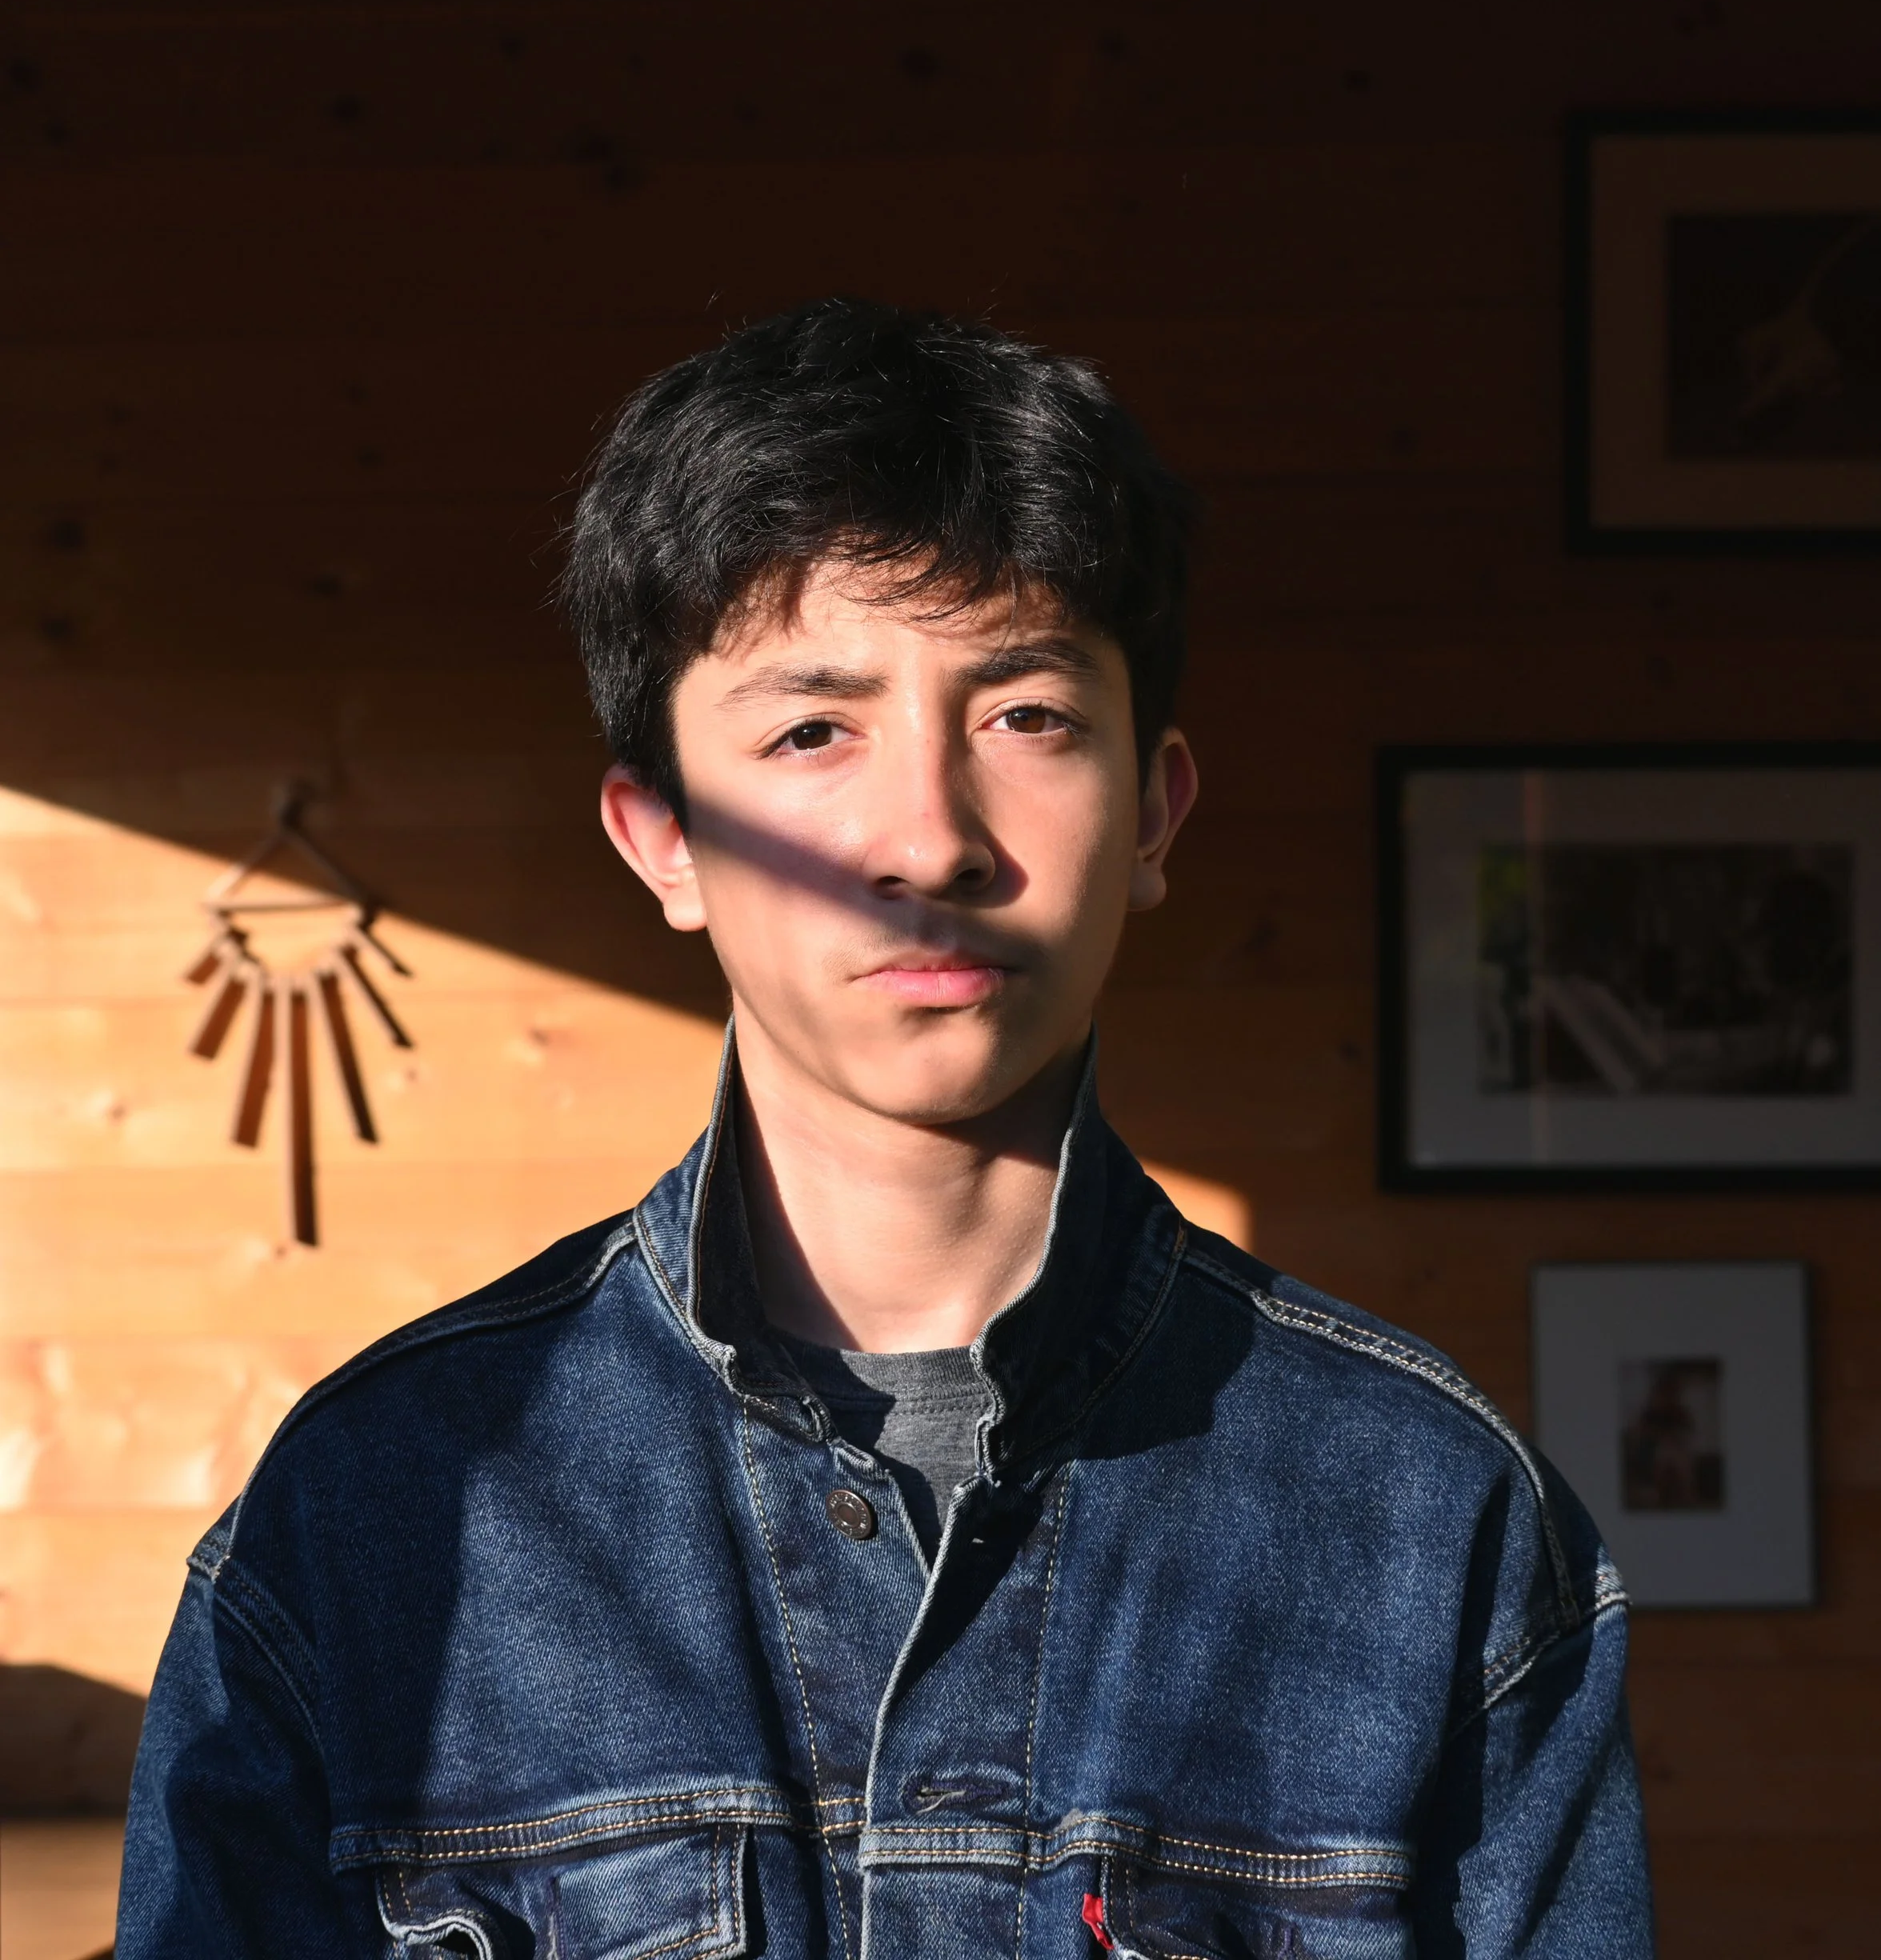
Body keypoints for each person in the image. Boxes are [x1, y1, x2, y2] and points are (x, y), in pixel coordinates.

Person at [118, 299, 1653, 1958]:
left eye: (1027, 717)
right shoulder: (381, 1508)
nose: (926, 837)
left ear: (1152, 811)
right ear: (661, 841)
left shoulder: (1430, 1518)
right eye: (809, 730)